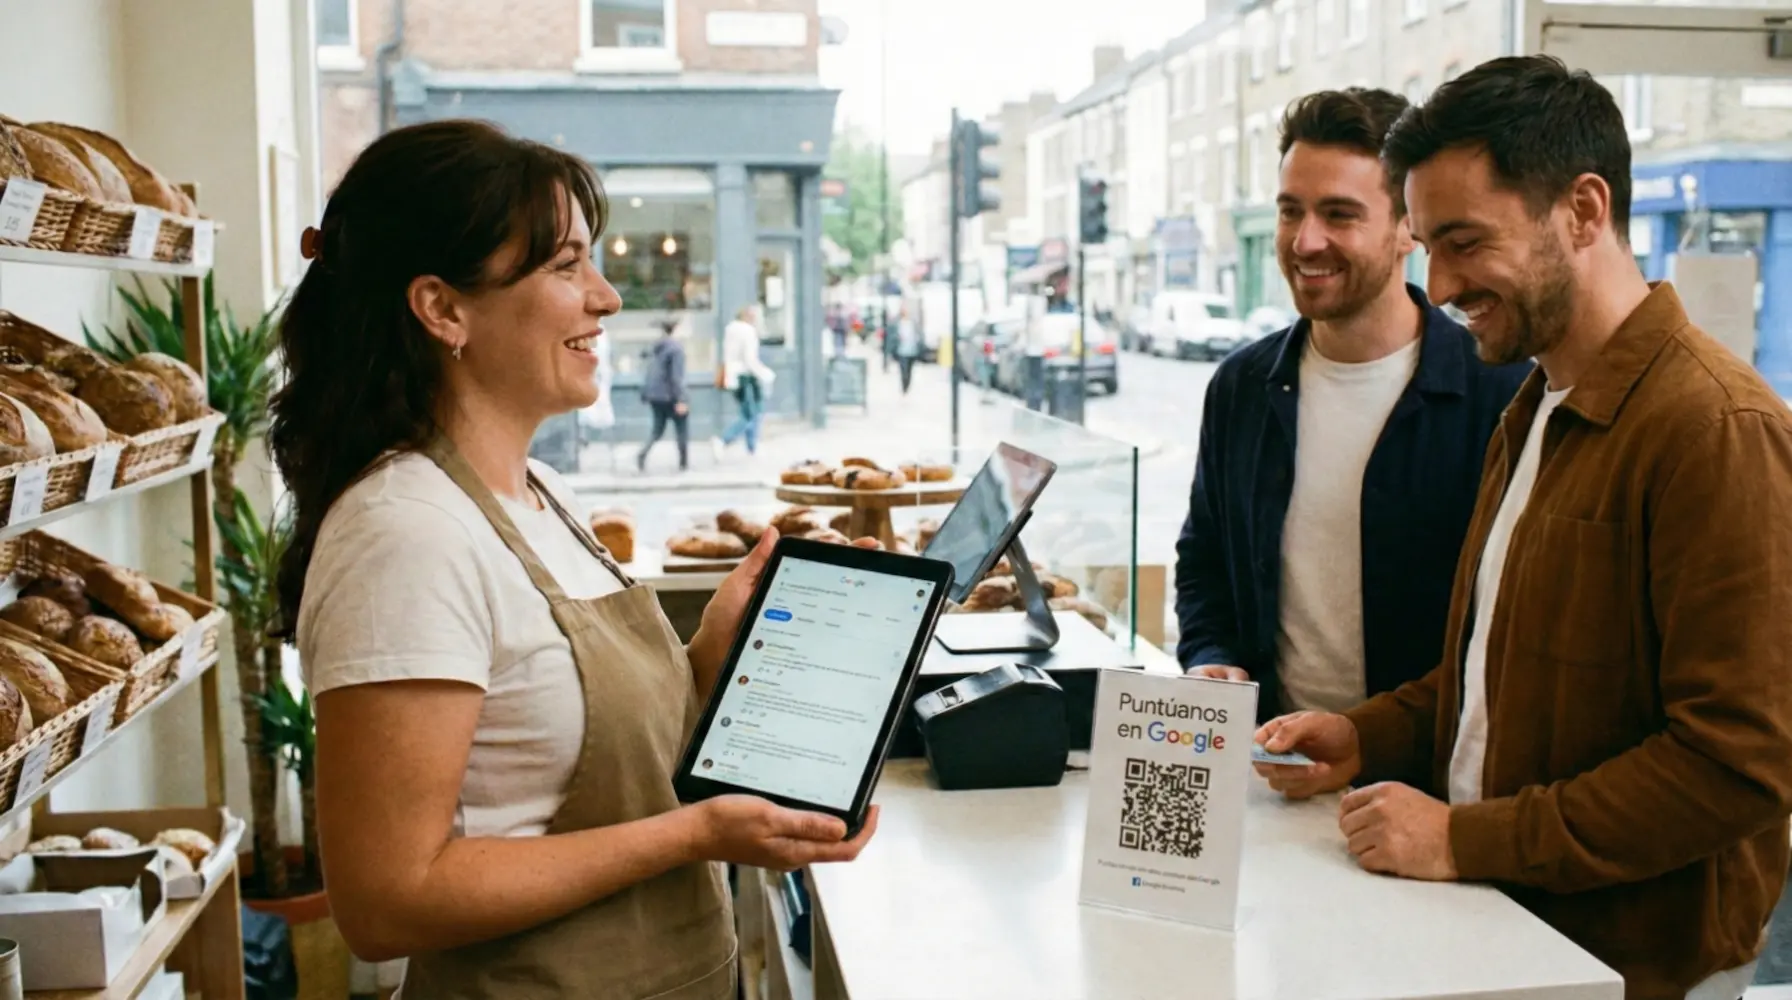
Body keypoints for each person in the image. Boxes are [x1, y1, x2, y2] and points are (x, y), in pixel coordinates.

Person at [269, 120, 876, 997]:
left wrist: (713, 653)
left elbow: (583, 763)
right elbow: (386, 902)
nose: (607, 298)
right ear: (443, 309)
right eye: (565, 267)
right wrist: (697, 834)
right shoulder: (404, 533)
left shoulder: (541, 490)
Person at [1254, 56, 1792, 1000]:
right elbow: (1496, 675)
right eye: (1426, 245)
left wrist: (1466, 837)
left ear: (1583, 211)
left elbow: (1737, 763)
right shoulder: (1539, 402)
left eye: (1463, 241)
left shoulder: (1719, 429)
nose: (1442, 282)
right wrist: (1363, 733)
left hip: (1638, 966)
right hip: (1515, 929)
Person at [1176, 87, 1529, 721]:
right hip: (1270, 770)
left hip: (1426, 791)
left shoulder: (1500, 393)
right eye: (1291, 212)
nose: (1306, 241)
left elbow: (1514, 628)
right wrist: (1209, 653)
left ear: (1407, 231)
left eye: (1340, 214)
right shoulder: (1240, 386)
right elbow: (1204, 557)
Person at [716, 303, 774, 457]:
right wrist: (765, 374)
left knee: (747, 412)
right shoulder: (748, 331)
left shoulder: (730, 329)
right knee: (752, 414)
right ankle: (724, 440)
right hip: (747, 376)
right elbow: (750, 359)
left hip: (733, 376)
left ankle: (751, 447)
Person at [638, 315, 689, 472]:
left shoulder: (658, 346)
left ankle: (642, 454)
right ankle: (683, 463)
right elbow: (676, 377)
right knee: (682, 429)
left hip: (655, 395)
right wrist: (681, 399)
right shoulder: (676, 349)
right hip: (670, 395)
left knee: (657, 429)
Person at [894, 306, 922, 394]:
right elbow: (894, 336)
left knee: (909, 369)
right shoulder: (898, 324)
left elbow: (918, 334)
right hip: (902, 351)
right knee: (904, 369)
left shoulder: (912, 323)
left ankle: (907, 384)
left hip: (912, 350)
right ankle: (904, 385)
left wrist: (918, 342)